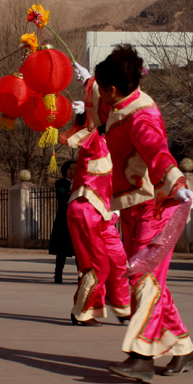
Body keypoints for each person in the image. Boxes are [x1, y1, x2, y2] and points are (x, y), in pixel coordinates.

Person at [85, 45, 193, 384]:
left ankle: (142, 354)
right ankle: (183, 347)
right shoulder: (118, 103)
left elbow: (157, 152)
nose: (100, 95)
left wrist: (176, 182)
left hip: (155, 207)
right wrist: (87, 83)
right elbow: (99, 102)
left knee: (143, 278)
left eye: (102, 88)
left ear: (113, 89)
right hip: (133, 207)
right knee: (151, 280)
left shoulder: (141, 117)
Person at [63, 110, 130, 326]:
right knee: (96, 265)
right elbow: (86, 129)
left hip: (105, 214)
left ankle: (121, 306)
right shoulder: (95, 142)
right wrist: (86, 112)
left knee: (118, 259)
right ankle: (82, 311)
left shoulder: (116, 148)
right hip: (86, 208)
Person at [48, 159, 76, 284]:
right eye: (70, 168)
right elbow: (63, 196)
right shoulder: (60, 183)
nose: (73, 171)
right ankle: (58, 274)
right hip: (63, 219)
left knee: (78, 250)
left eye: (75, 169)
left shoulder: (81, 182)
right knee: (61, 251)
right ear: (65, 170)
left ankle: (81, 275)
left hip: (77, 219)